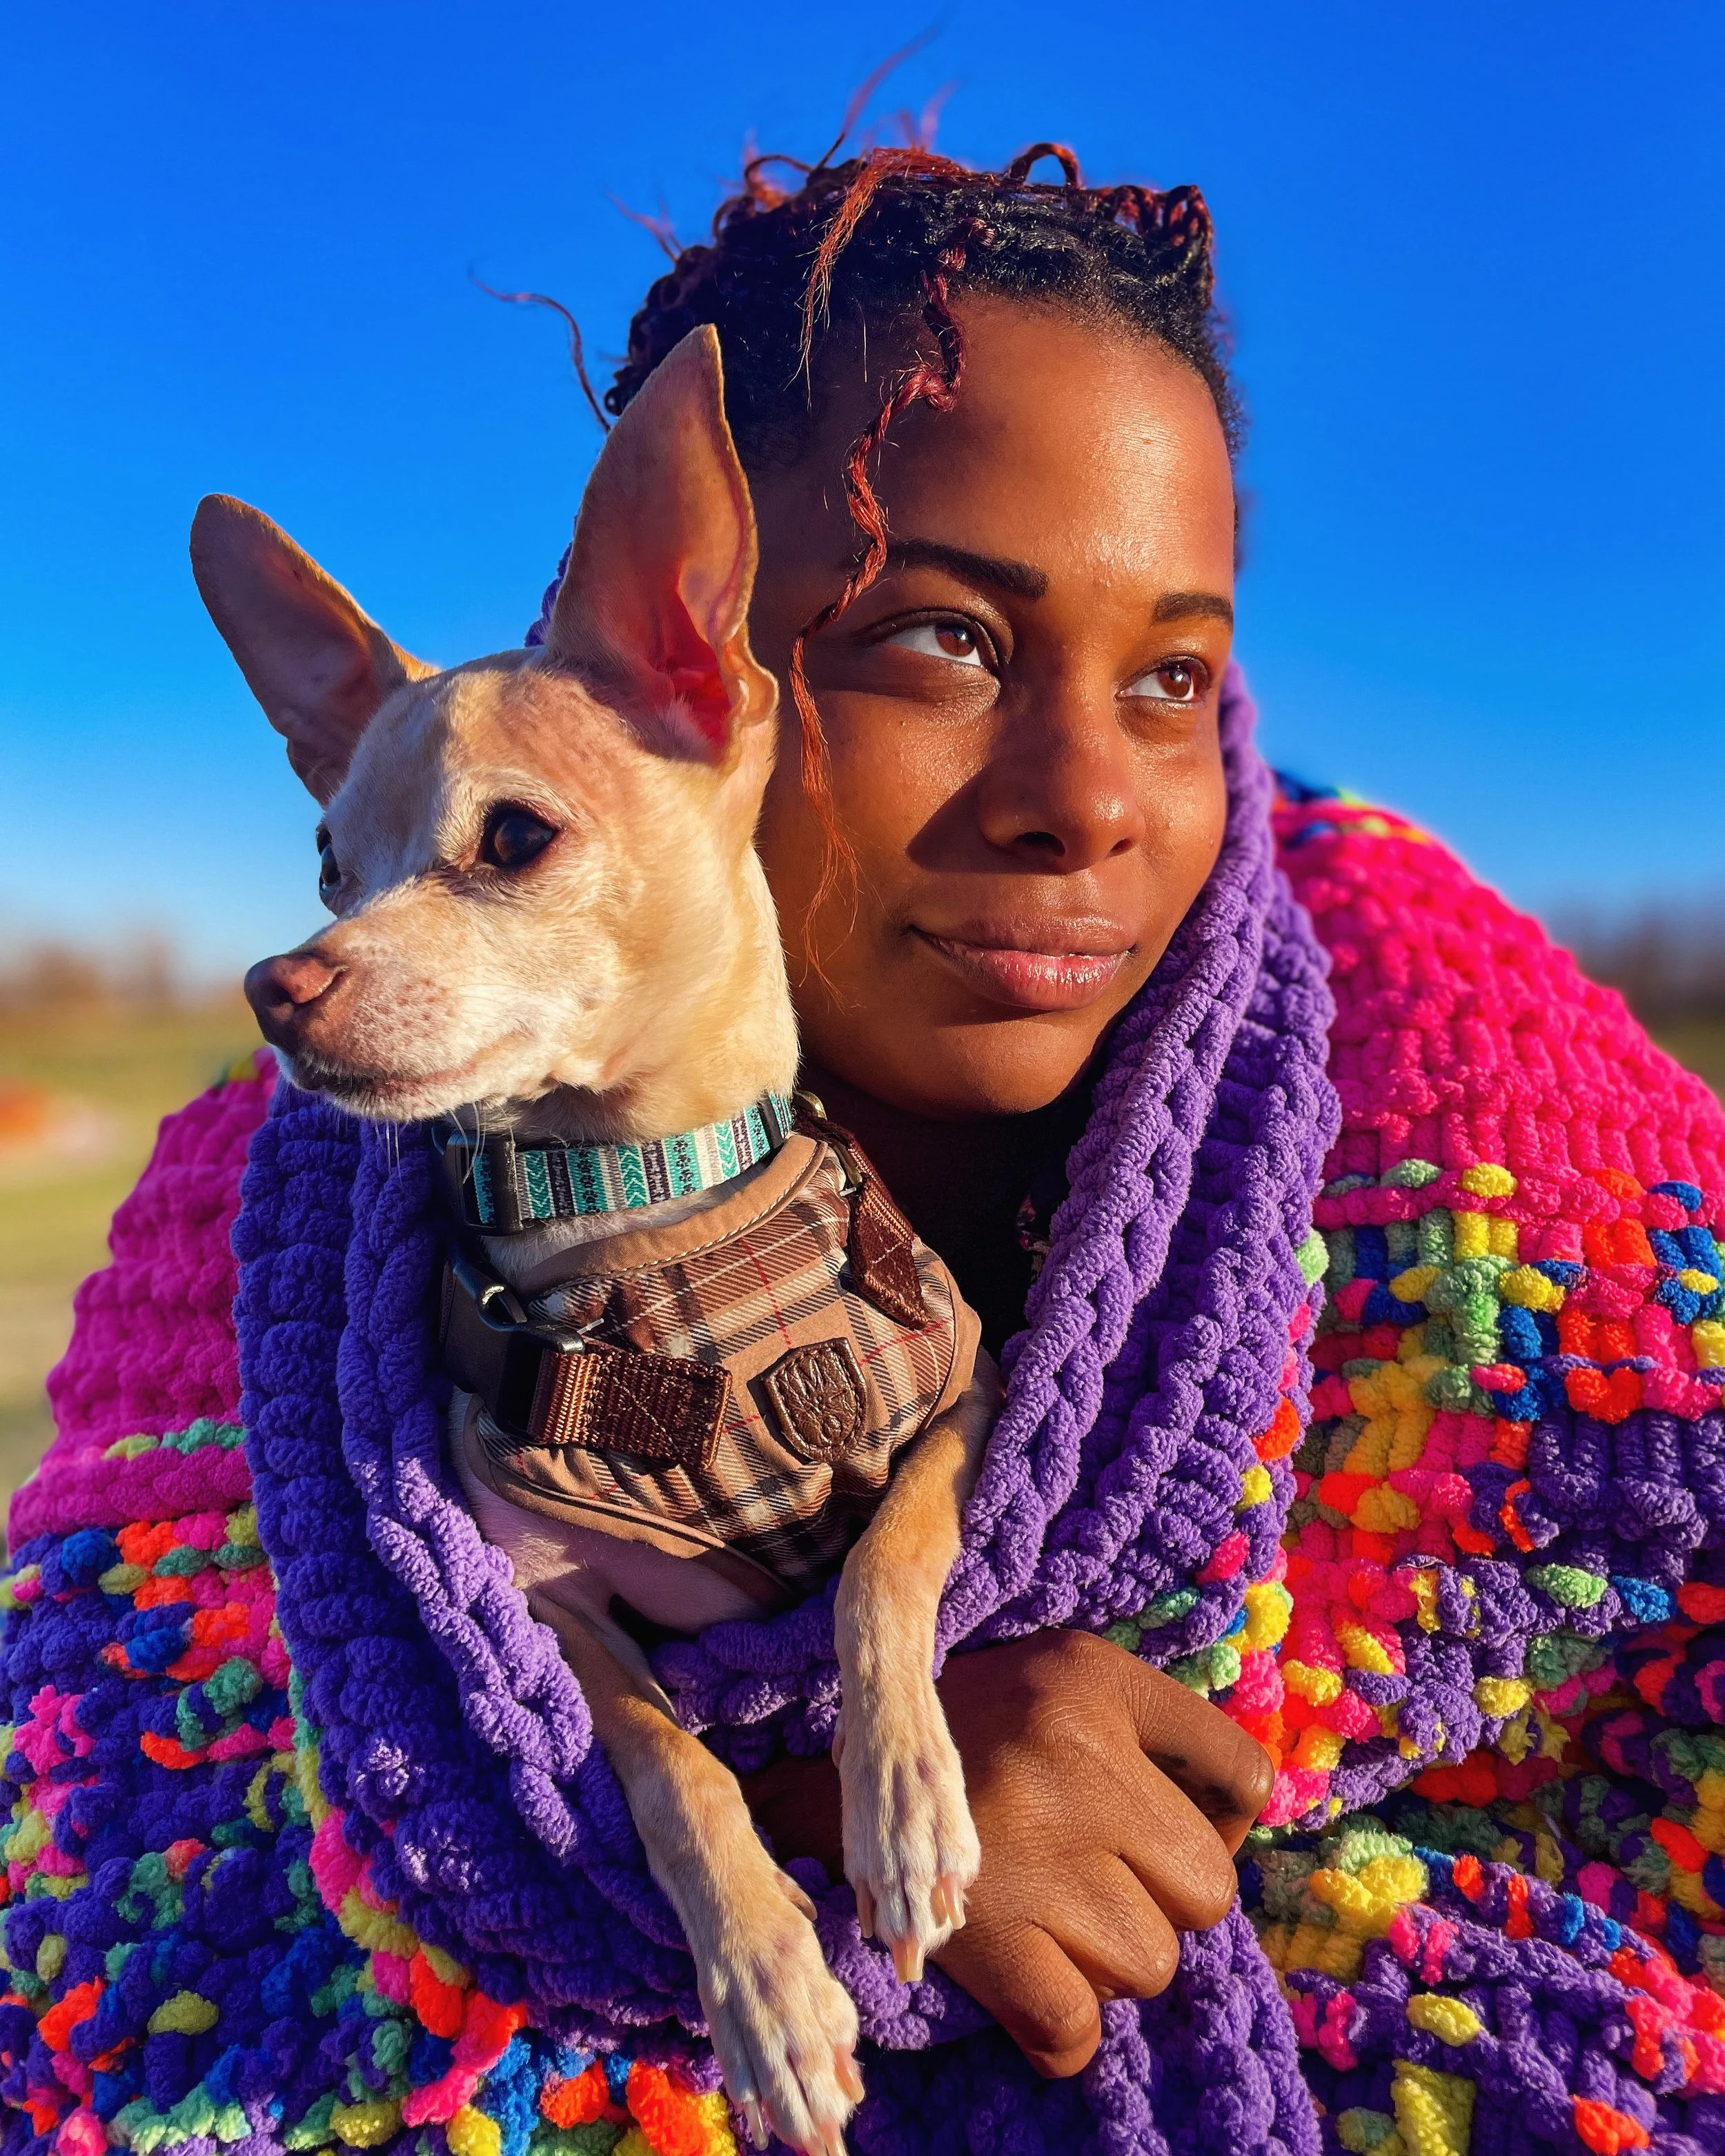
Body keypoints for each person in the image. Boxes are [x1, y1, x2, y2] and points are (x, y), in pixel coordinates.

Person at [6, 140, 1724, 2156]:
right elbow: (119, 1929)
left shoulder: (1483, 1137)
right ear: (685, 652)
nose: (1085, 797)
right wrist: (798, 1774)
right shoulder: (278, 1234)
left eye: (1171, 674)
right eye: (940, 639)